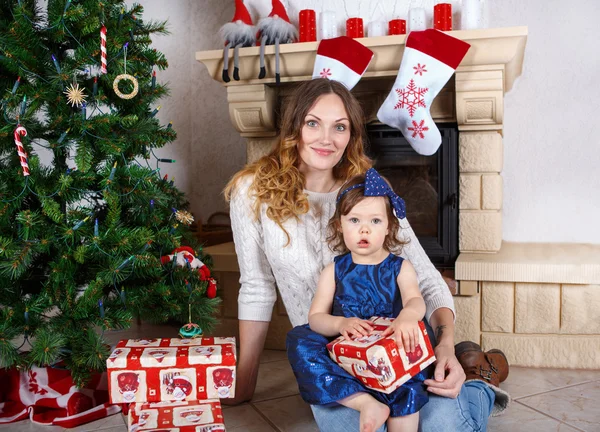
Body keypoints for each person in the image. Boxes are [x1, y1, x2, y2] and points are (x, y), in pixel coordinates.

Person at [224, 78, 510, 431]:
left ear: (351, 134)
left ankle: (479, 384)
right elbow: (257, 287)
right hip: (333, 356)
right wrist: (245, 384)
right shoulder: (252, 190)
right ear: (294, 125)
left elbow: (424, 276)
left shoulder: (370, 191)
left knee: (443, 426)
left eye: (339, 127)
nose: (326, 138)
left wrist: (446, 345)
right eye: (313, 122)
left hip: (397, 339)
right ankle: (468, 364)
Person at [287, 168, 435, 432]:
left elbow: (416, 300)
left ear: (389, 226)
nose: (364, 229)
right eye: (354, 220)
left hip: (391, 352)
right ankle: (365, 402)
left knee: (407, 373)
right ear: (339, 225)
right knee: (300, 340)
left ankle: (399, 415)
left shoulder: (400, 268)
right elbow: (316, 318)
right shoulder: (334, 271)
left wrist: (407, 317)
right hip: (348, 357)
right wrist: (340, 325)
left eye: (375, 221)